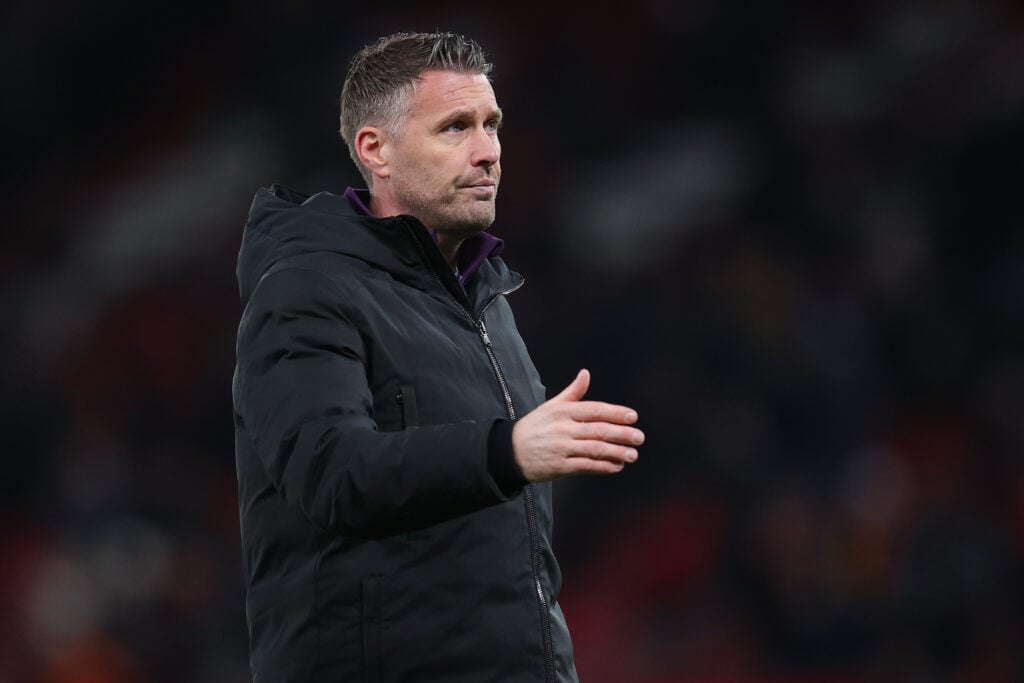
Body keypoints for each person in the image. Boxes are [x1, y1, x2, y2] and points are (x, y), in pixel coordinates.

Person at [232, 31, 644, 682]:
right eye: (455, 127)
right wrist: (503, 451)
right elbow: (332, 472)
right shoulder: (307, 288)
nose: (488, 153)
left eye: (492, 125)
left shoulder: (488, 298)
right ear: (376, 150)